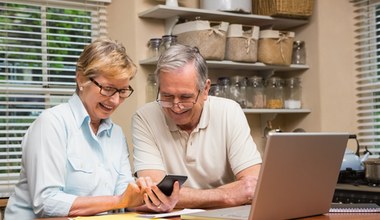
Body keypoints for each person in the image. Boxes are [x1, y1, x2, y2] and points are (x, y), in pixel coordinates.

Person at [4, 38, 179, 219]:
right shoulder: (50, 124)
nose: (115, 100)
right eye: (108, 88)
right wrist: (120, 200)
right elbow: (47, 203)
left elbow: (125, 197)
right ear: (81, 78)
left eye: (122, 91)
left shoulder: (116, 135)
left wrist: (157, 202)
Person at [132, 44, 262, 209]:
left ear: (206, 89)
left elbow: (253, 186)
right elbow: (153, 193)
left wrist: (180, 197)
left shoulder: (229, 111)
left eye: (185, 97)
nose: (176, 106)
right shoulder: (145, 117)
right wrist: (226, 195)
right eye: (167, 96)